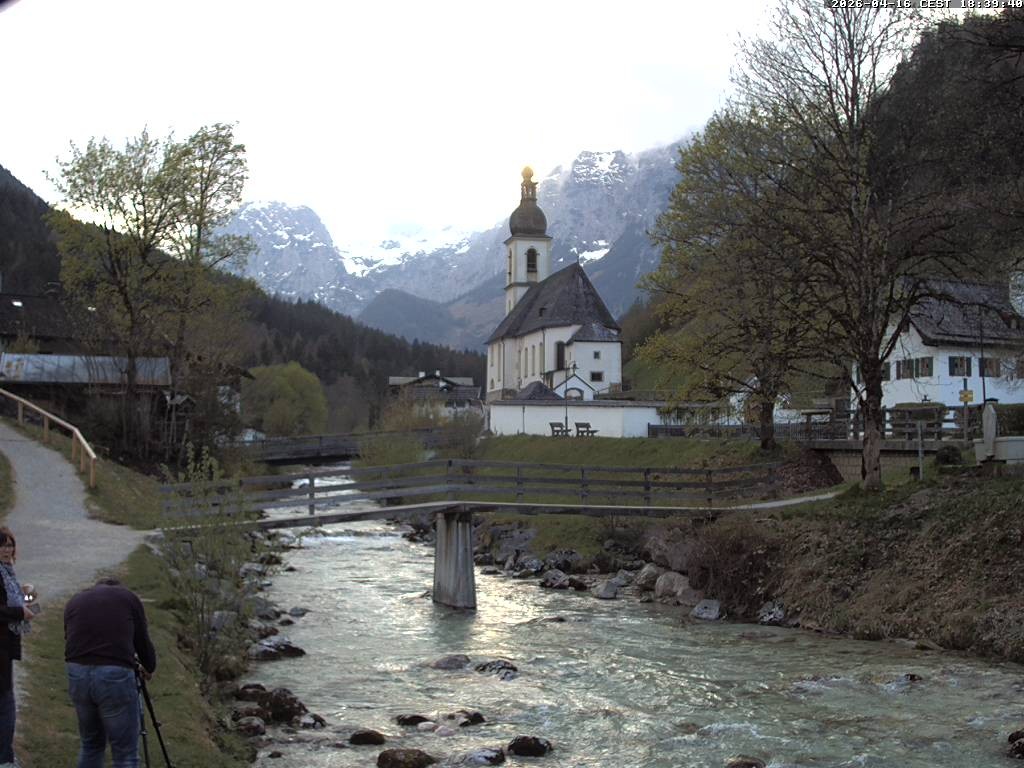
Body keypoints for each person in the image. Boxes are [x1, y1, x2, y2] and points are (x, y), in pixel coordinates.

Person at [64, 578, 156, 768]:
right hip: (114, 675)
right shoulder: (128, 597)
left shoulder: (76, 599)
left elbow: (69, 637)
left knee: (91, 744)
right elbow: (142, 639)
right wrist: (148, 666)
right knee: (125, 754)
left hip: (77, 672)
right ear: (119, 588)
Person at [0, 527, 34, 768]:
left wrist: (28, 597)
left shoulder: (8, 574)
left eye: (10, 545)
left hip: (7, 643)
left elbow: (19, 604)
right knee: (6, 703)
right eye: (2, 545)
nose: (7, 549)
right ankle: (5, 759)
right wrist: (19, 611)